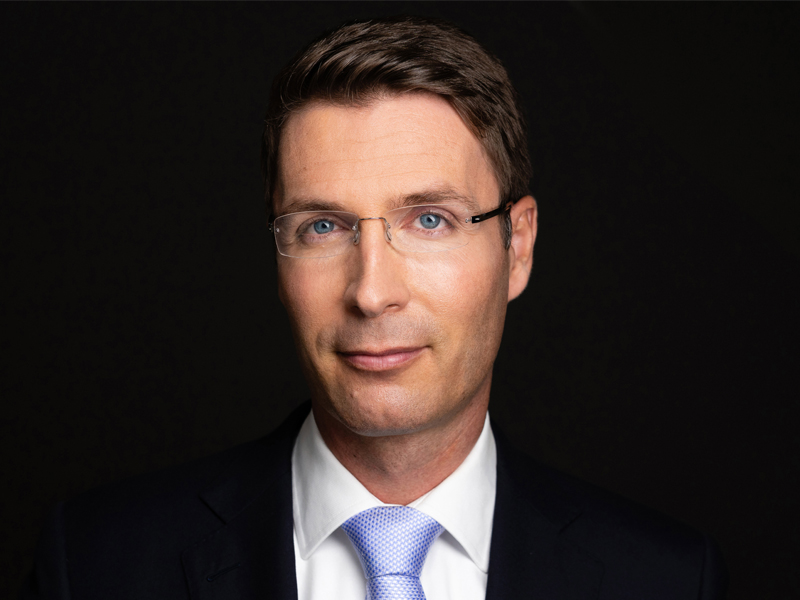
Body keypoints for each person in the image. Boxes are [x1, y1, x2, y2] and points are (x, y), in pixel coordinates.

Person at [21, 16, 727, 600]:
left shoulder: (666, 580)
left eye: (429, 220)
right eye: (322, 227)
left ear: (517, 247)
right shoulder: (93, 567)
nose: (370, 291)